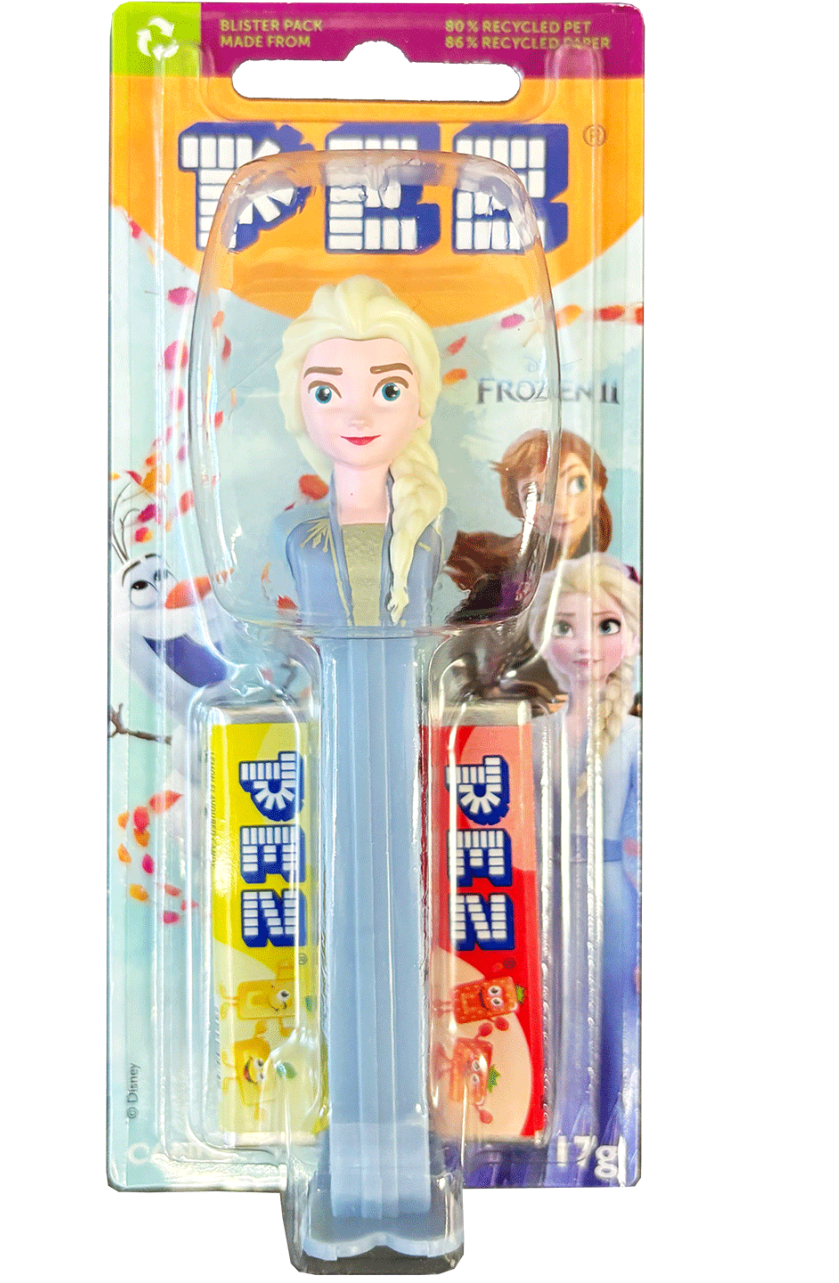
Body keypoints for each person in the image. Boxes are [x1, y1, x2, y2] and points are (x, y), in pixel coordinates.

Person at [273, 276, 460, 1261]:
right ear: (296, 406)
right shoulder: (295, 537)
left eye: (386, 387)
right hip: (340, 735)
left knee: (396, 927)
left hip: (394, 731)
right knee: (348, 935)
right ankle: (353, 1174)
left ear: (420, 403)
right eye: (326, 388)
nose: (356, 410)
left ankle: (398, 1173)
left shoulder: (429, 531)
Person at [528, 554, 640, 1185]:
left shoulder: (639, 741)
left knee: (613, 1024)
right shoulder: (529, 735)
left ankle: (610, 1143)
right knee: (550, 1018)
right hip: (540, 895)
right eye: (562, 627)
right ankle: (545, 1143)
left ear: (634, 638)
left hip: (615, 899)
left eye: (606, 625)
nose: (582, 645)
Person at [447, 428, 612, 621]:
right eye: (536, 496)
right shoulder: (503, 587)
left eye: (576, 484)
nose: (561, 508)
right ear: (521, 509)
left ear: (597, 486)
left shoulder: (615, 580)